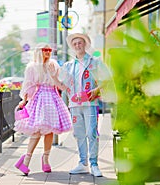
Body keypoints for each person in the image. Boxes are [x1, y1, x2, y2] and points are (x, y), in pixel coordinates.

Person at [14, 43, 72, 176]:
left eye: (49, 50)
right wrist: (24, 99)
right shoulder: (32, 67)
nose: (48, 52)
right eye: (45, 50)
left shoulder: (54, 65)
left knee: (50, 130)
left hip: (52, 98)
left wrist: (53, 75)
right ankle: (26, 160)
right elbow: (28, 84)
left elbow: (60, 86)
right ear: (39, 51)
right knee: (37, 130)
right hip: (39, 98)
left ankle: (45, 159)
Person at [59, 33, 108, 177]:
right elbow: (61, 82)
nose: (77, 46)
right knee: (78, 133)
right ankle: (82, 163)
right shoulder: (69, 66)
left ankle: (94, 164)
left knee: (91, 132)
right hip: (74, 104)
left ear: (85, 44)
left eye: (80, 43)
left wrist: (97, 90)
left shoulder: (95, 62)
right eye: (74, 44)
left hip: (90, 103)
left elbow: (107, 79)